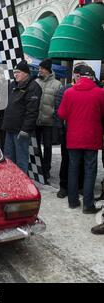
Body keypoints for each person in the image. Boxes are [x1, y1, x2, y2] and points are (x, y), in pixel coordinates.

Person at [58, 65, 104, 213]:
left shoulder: (69, 92)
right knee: (90, 170)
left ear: (78, 77)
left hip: (73, 137)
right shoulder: (100, 93)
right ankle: (88, 205)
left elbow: (62, 114)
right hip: (92, 137)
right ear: (91, 77)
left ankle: (73, 201)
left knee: (73, 168)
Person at [2, 60, 42, 173]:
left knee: (21, 160)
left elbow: (32, 111)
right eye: (14, 72)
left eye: (18, 72)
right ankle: (11, 181)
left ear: (26, 73)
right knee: (9, 158)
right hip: (9, 128)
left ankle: (22, 186)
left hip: (21, 131)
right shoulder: (12, 85)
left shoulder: (33, 87)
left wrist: (25, 129)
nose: (15, 75)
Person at [54, 65, 84, 198]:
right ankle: (64, 186)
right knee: (66, 159)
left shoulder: (89, 89)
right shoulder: (65, 89)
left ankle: (80, 185)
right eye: (79, 75)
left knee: (82, 160)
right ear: (74, 75)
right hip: (68, 131)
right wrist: (60, 129)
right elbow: (58, 111)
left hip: (83, 131)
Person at [35, 58, 62, 182]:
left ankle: (46, 170)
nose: (39, 70)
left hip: (49, 121)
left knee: (47, 147)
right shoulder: (36, 82)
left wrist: (55, 119)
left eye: (41, 68)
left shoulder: (57, 84)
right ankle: (38, 168)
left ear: (46, 69)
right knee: (35, 146)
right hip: (36, 120)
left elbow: (59, 104)